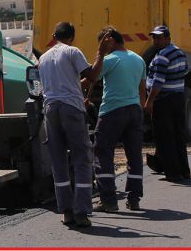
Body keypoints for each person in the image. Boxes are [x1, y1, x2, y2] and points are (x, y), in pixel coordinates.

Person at [38, 22, 115, 228]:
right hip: (71, 108)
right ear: (72, 37)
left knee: (59, 161)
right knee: (82, 159)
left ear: (54, 36)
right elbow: (92, 76)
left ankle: (66, 211)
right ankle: (81, 211)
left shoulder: (43, 58)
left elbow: (59, 84)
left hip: (51, 110)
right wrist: (100, 54)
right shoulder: (73, 51)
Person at [85, 26, 147, 212]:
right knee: (134, 155)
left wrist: (100, 53)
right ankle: (134, 198)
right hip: (134, 110)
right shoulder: (139, 59)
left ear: (109, 40)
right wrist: (141, 110)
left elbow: (92, 77)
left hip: (112, 111)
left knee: (102, 153)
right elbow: (142, 89)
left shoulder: (110, 59)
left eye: (103, 42)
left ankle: (109, 201)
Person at [144, 25, 191, 182]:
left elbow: (157, 82)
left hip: (163, 100)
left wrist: (149, 101)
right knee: (179, 135)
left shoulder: (162, 57)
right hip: (178, 97)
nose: (155, 40)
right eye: (154, 37)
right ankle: (184, 171)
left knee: (165, 137)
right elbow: (185, 71)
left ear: (167, 38)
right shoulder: (179, 52)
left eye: (159, 37)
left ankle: (173, 173)